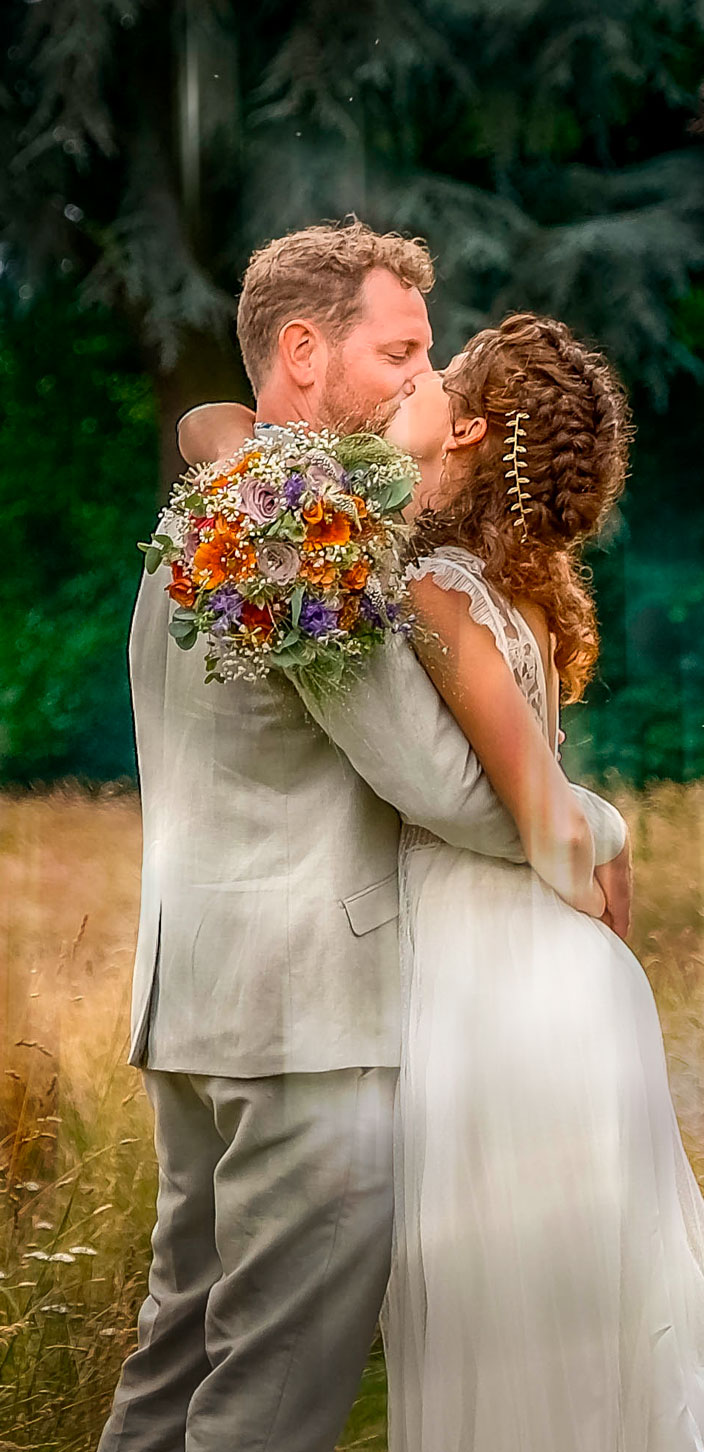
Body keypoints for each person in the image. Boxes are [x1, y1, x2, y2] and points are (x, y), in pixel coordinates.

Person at [185, 307, 704, 1450]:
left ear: (467, 430)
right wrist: (609, 866)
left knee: (520, 1337)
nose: (414, 377)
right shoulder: (497, 581)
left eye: (437, 370)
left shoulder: (438, 593)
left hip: (505, 986)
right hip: (539, 972)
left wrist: (598, 850)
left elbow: (537, 820)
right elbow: (212, 426)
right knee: (581, 1335)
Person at [99, 222, 629, 1452]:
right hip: (304, 1028)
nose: (422, 386)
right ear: (303, 350)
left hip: (197, 1000)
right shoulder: (304, 538)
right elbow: (433, 780)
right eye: (400, 352)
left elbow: (214, 433)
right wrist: (597, 820)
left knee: (176, 1352)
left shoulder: (218, 510)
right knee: (268, 1404)